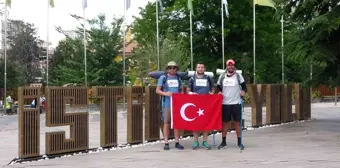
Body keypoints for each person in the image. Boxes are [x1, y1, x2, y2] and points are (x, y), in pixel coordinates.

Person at [216, 59, 247, 150]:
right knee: (225, 123)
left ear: (234, 66)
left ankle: (239, 142)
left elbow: (244, 87)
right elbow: (218, 87)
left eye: (232, 65)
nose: (230, 67)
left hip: (236, 102)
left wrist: (243, 91)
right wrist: (219, 92)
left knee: (237, 122)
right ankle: (223, 141)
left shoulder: (238, 76)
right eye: (229, 65)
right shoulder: (222, 76)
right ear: (226, 66)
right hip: (225, 103)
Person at [156, 61, 184, 150]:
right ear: (167, 69)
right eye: (170, 68)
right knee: (166, 122)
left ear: (176, 69)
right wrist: (166, 93)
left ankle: (177, 141)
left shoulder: (178, 78)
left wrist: (181, 96)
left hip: (177, 103)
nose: (172, 69)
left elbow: (181, 90)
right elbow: (157, 90)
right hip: (167, 103)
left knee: (176, 122)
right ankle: (166, 141)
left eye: (174, 68)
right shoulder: (163, 78)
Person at [187, 63, 214, 150]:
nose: (200, 68)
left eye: (202, 67)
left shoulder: (208, 78)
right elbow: (188, 90)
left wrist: (212, 93)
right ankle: (195, 141)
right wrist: (191, 93)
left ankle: (205, 141)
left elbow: (212, 88)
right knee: (196, 122)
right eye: (199, 67)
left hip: (206, 103)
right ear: (196, 68)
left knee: (206, 122)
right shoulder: (192, 78)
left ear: (204, 68)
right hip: (195, 104)